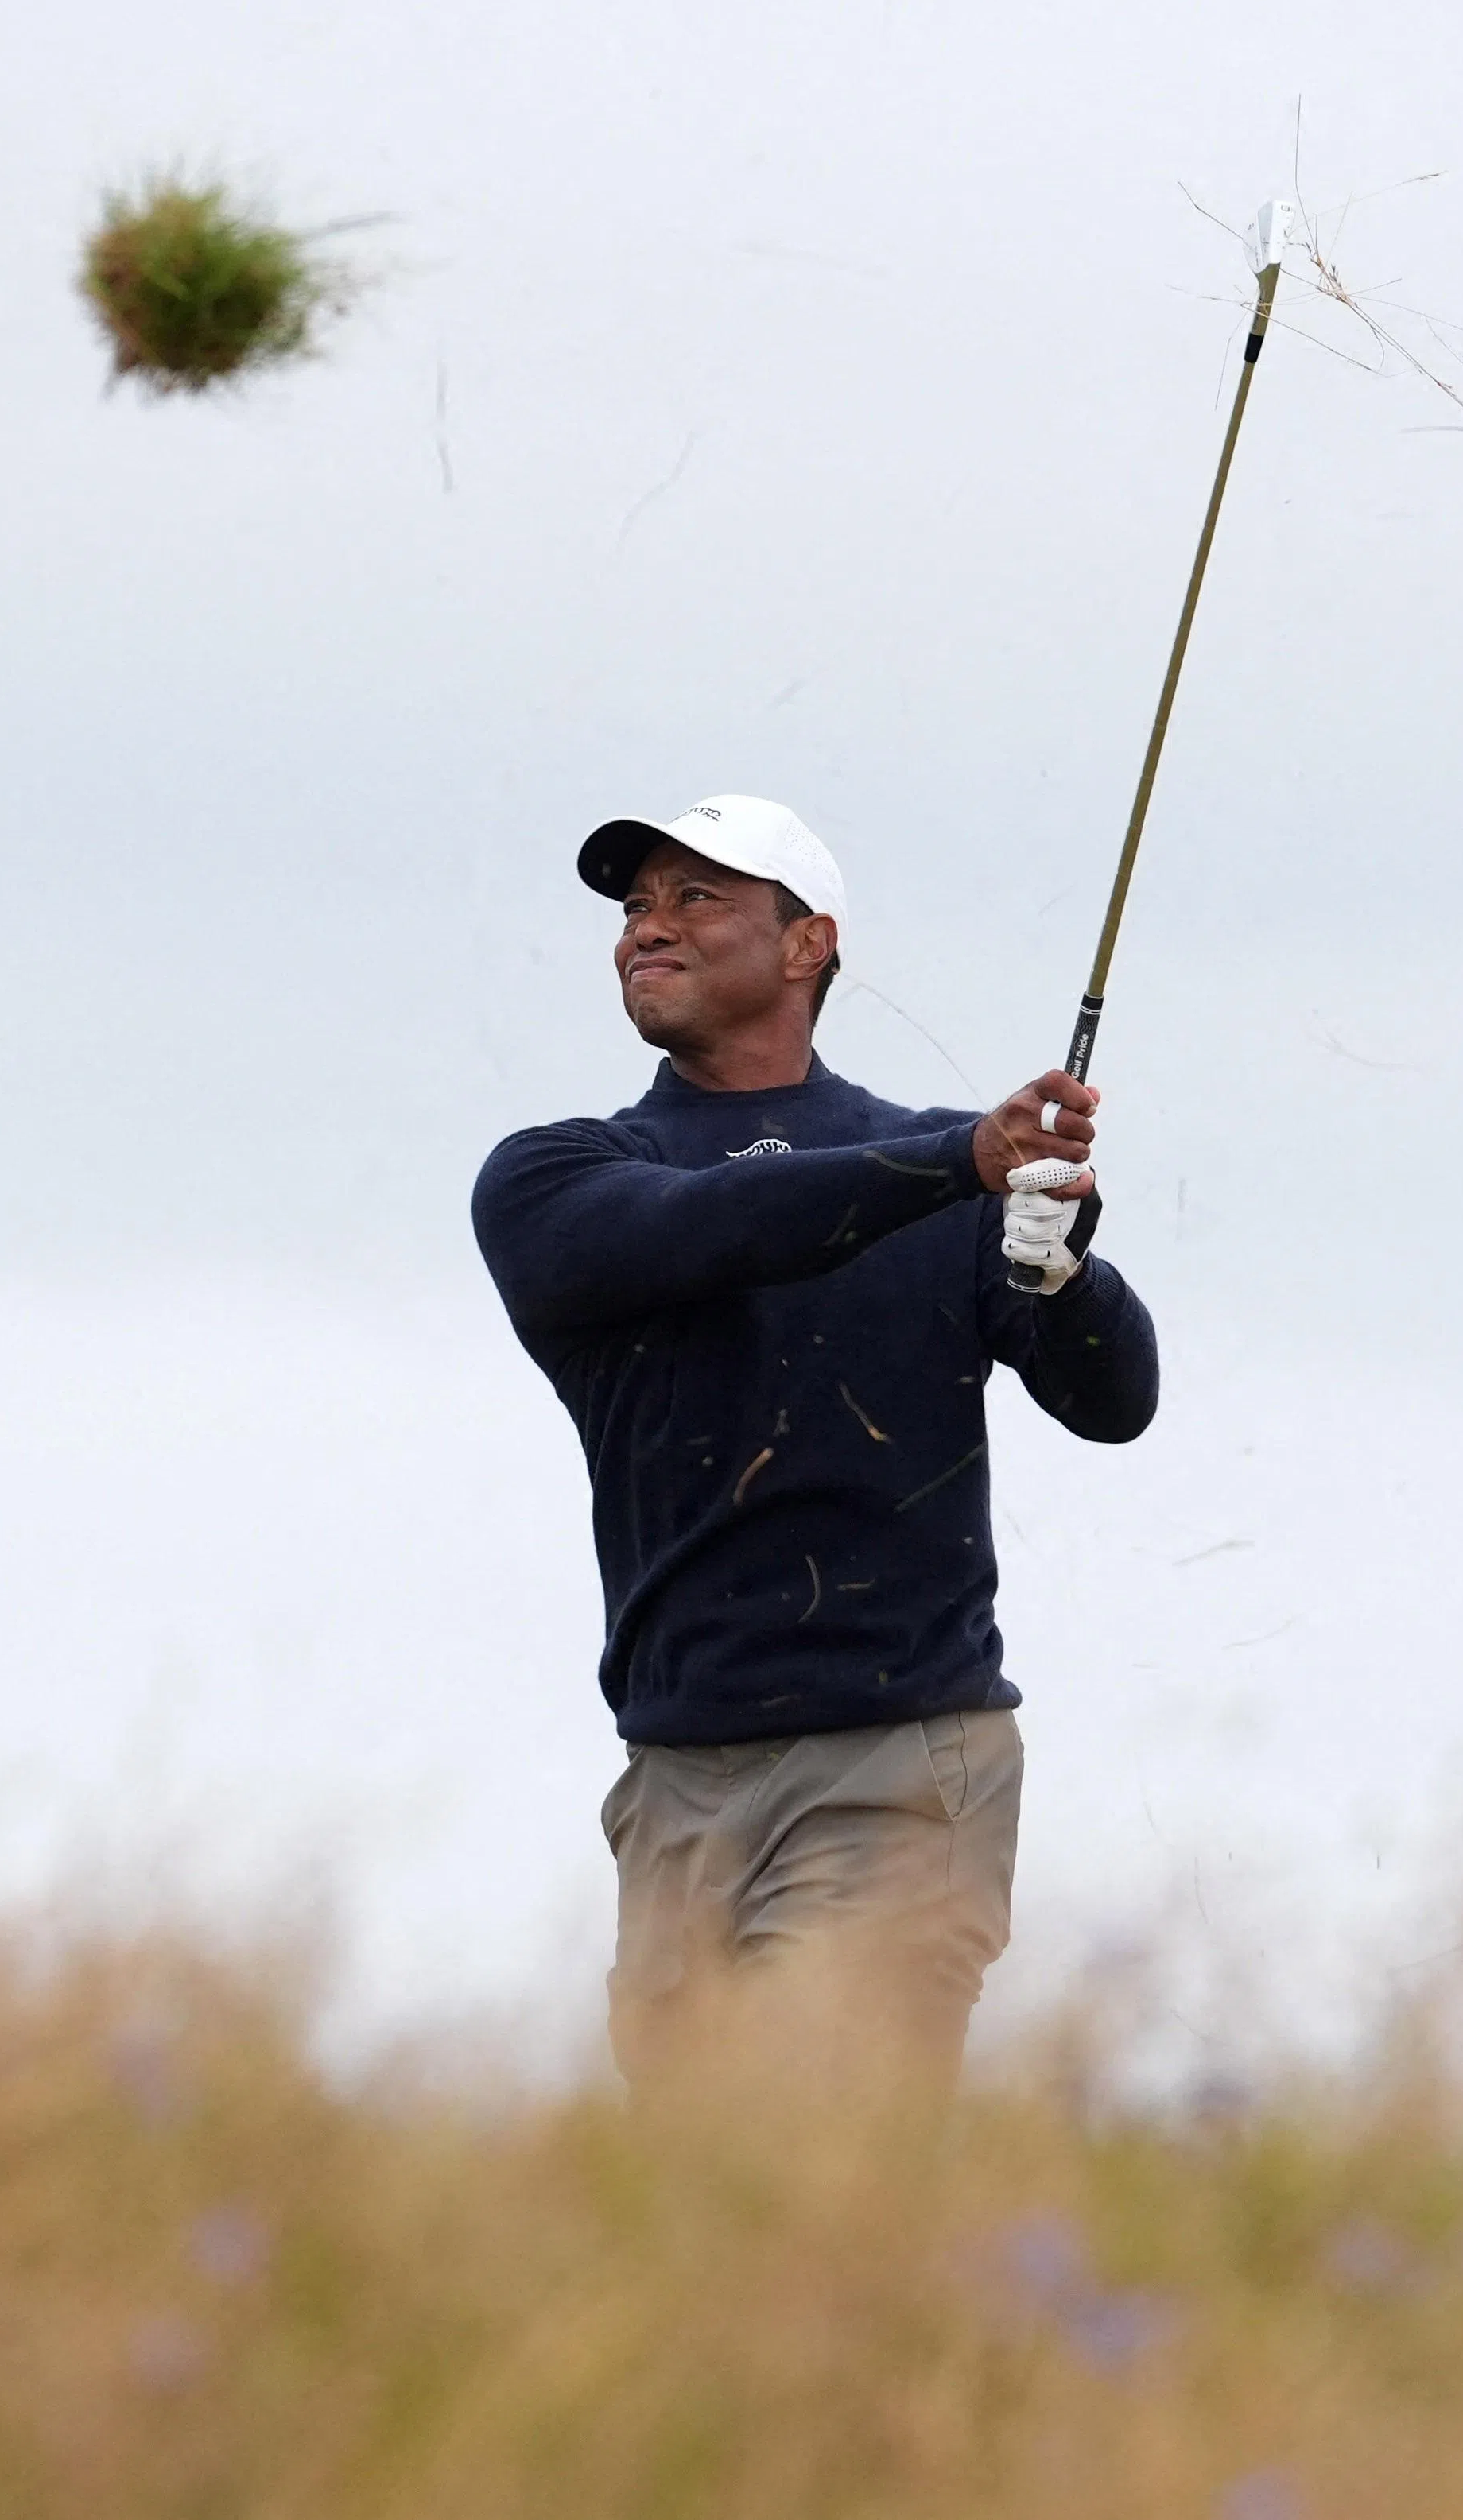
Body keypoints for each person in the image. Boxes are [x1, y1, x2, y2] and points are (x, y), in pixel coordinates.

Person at [470, 793, 1160, 2106]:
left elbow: (1116, 1398)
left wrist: (1064, 1272)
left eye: (694, 898)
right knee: (708, 2210)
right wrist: (956, 1163)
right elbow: (717, 1224)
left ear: (807, 946)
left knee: (814, 2143)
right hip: (675, 1777)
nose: (645, 930)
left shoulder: (955, 1179)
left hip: (899, 1758)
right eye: (633, 907)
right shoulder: (559, 1179)